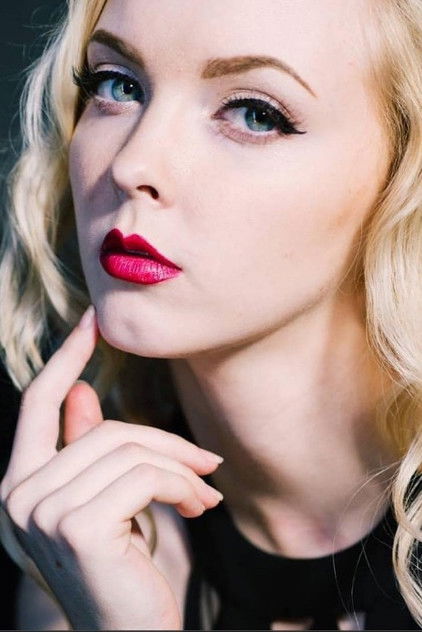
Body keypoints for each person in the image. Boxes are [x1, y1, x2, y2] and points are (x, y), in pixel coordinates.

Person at [0, 0, 421, 629]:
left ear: (402, 177)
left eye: (255, 114)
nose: (132, 165)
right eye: (118, 85)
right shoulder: (65, 523)